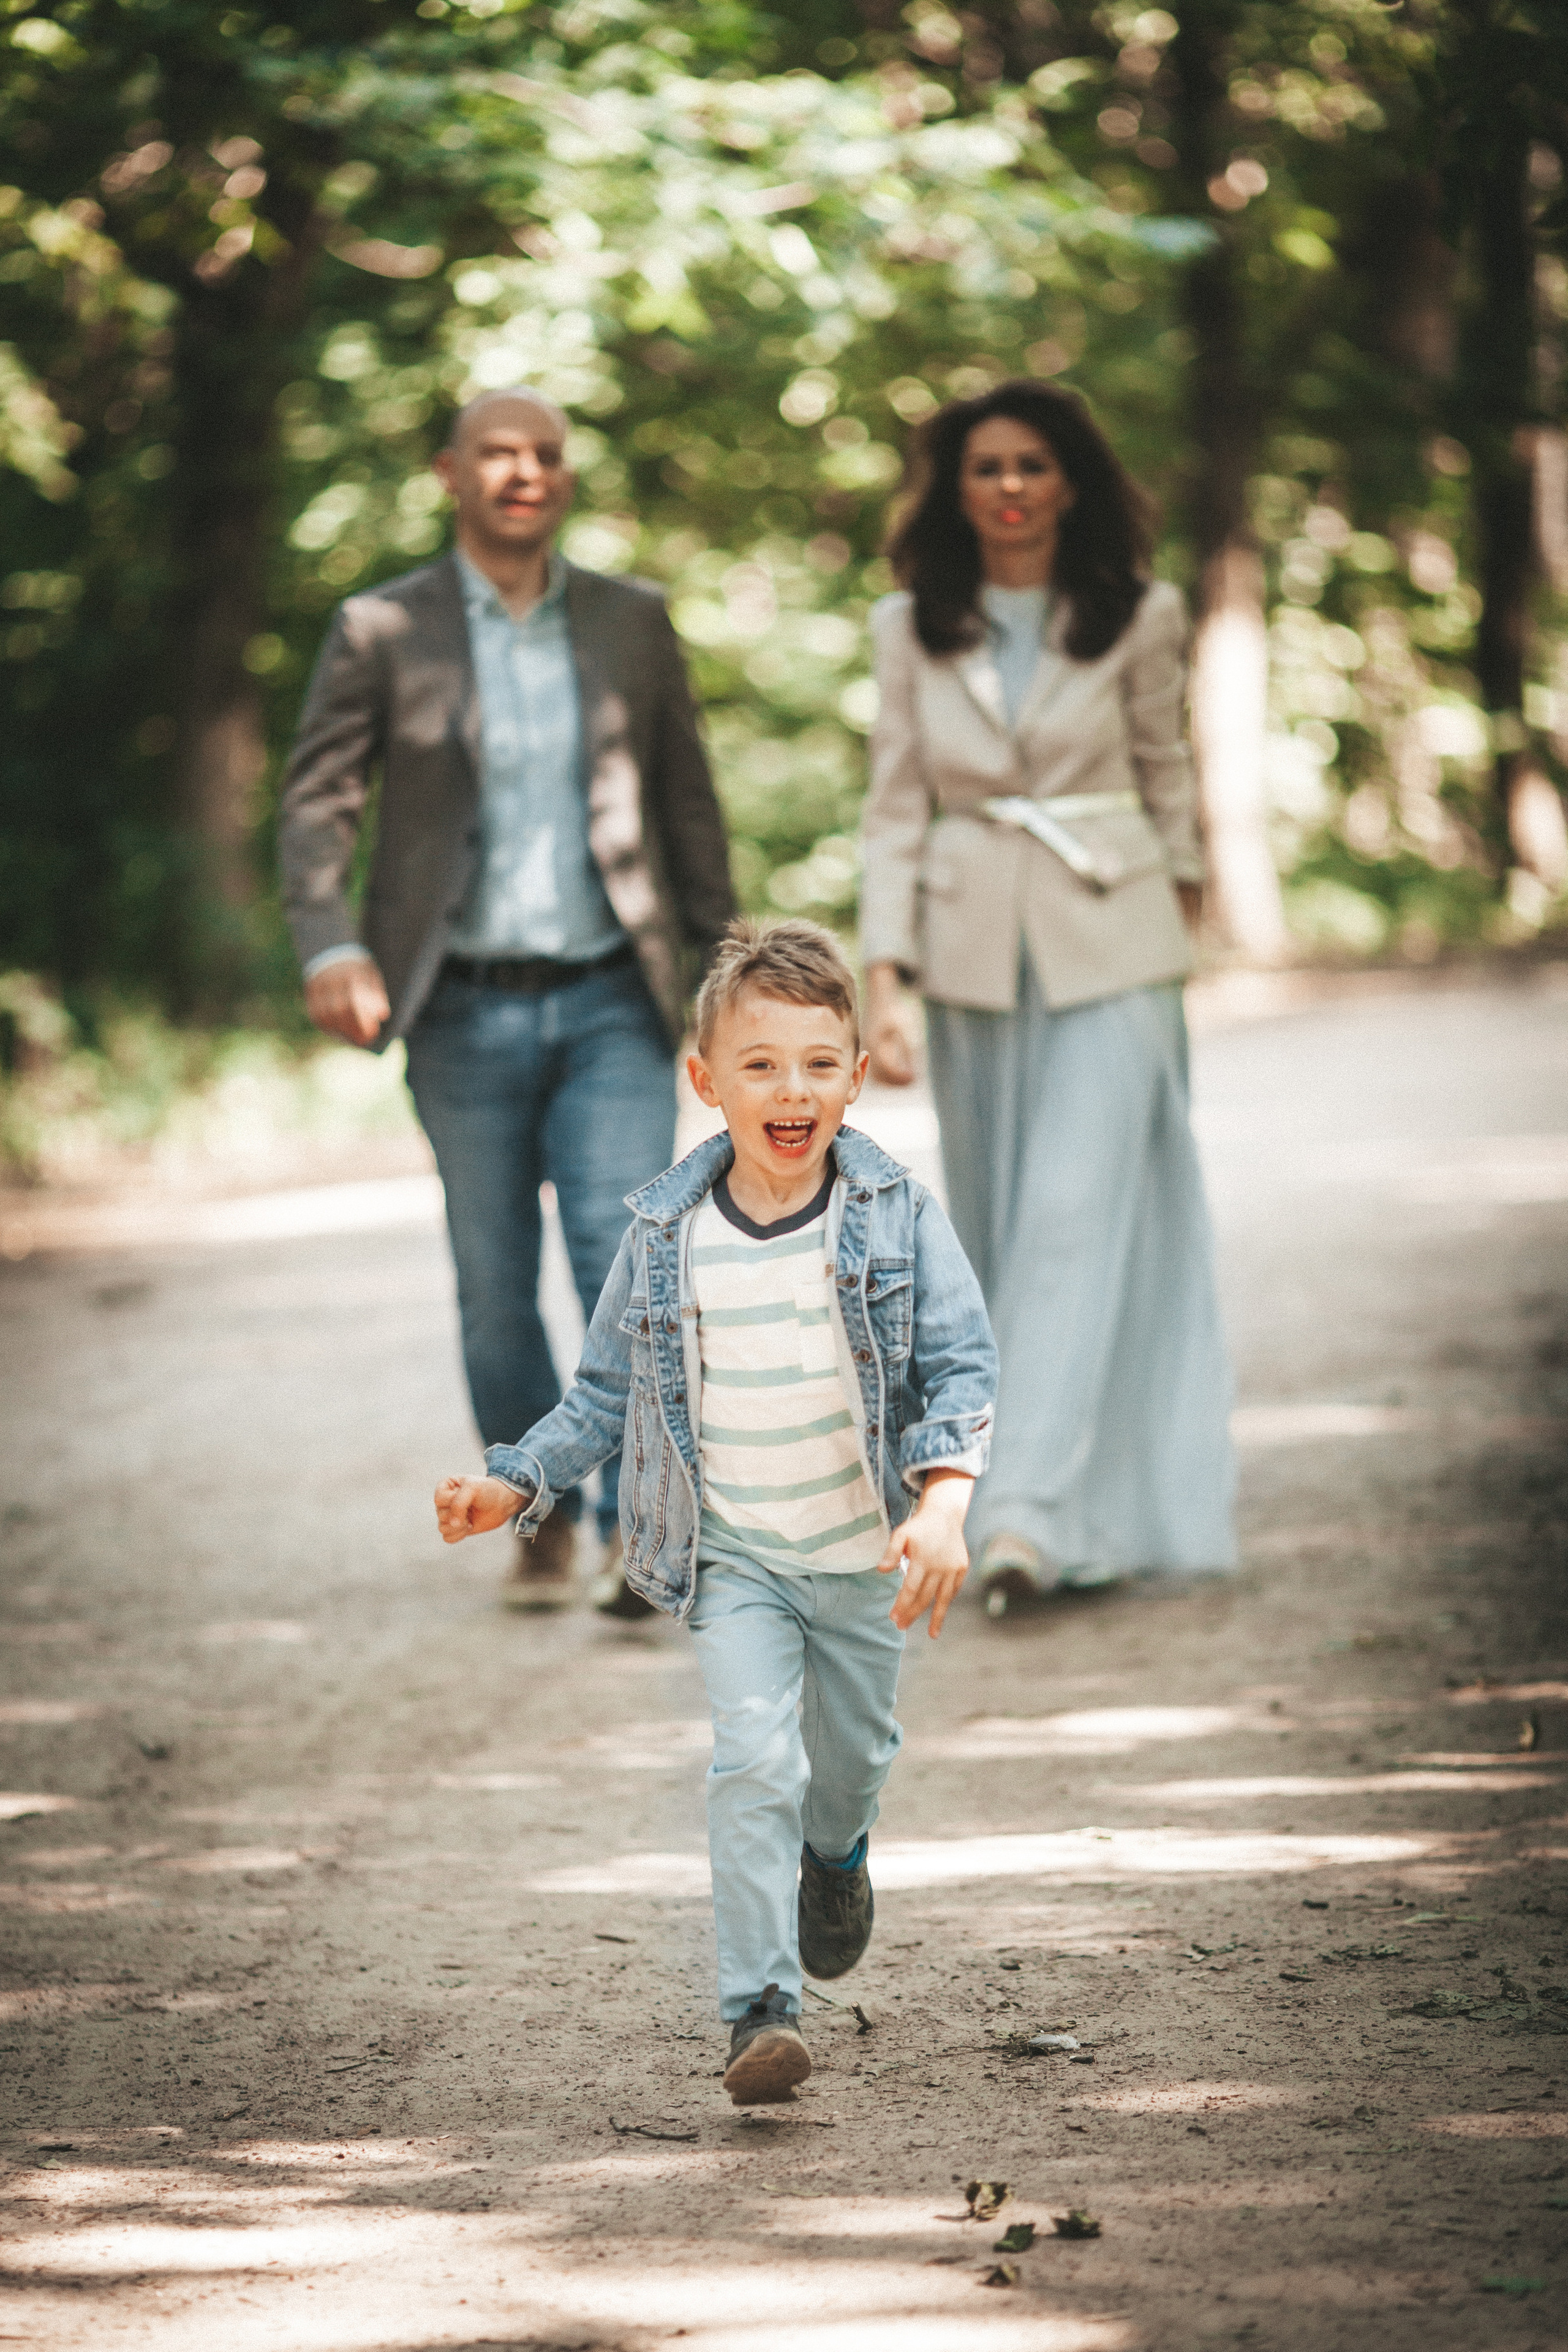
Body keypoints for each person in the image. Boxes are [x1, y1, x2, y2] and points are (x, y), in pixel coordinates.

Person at [434, 919, 997, 2102]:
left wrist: (943, 1505)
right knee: (752, 1759)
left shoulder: (896, 1215)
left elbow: (961, 1370)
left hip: (857, 1559)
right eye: (760, 1065)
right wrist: (517, 1481)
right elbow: (602, 1396)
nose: (791, 1089)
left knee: (844, 1769)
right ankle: (760, 2009)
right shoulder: (663, 1239)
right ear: (705, 1083)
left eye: (817, 1064)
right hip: (732, 1555)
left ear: (853, 1074)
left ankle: (835, 1857)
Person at [279, 389, 735, 1617]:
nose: (521, 472)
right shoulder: (381, 628)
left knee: (618, 1259)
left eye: (542, 455)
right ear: (451, 474)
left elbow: (687, 802)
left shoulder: (630, 623)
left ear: (564, 478)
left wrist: (727, 971)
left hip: (611, 1001)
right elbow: (319, 797)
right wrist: (327, 939)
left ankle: (646, 1533)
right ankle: (535, 1508)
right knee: (493, 1283)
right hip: (458, 1009)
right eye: (496, 453)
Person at [859, 378, 1236, 1615]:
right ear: (953, 491)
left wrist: (1182, 907)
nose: (1009, 487)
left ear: (1069, 482)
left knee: (1078, 1213)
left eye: (1031, 465)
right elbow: (894, 808)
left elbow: (1165, 767)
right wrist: (884, 978)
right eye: (985, 468)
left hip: (1112, 939)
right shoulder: (910, 624)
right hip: (971, 953)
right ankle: (1070, 1516)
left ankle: (1019, 1512)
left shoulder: (1140, 611)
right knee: (1005, 1227)